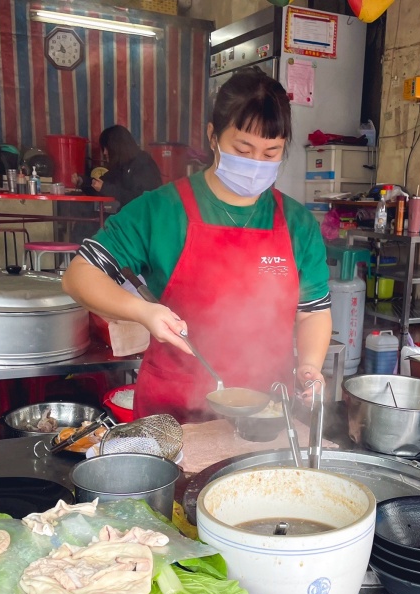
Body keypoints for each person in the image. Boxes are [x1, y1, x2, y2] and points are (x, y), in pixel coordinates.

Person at [63, 68, 332, 422]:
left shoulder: (297, 223)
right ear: (212, 136)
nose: (255, 164)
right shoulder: (160, 209)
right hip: (174, 409)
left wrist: (310, 366)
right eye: (243, 148)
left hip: (267, 411)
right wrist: (143, 312)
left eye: (271, 154)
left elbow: (313, 310)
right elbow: (79, 276)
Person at [82, 125, 162, 208]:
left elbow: (140, 199)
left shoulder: (143, 163)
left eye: (107, 148)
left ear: (117, 146)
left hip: (145, 217)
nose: (105, 153)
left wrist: (106, 188)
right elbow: (101, 184)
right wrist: (82, 181)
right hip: (128, 215)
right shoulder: (120, 166)